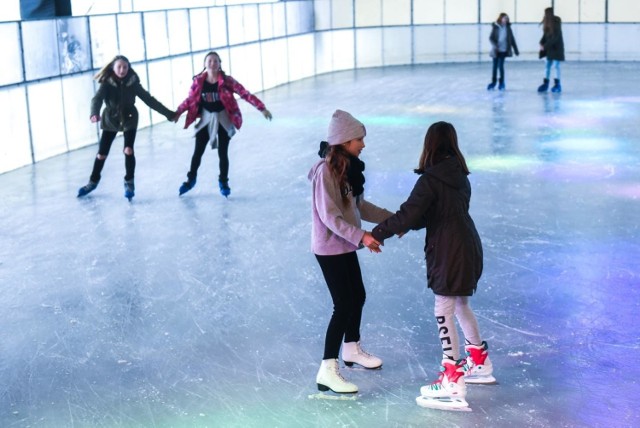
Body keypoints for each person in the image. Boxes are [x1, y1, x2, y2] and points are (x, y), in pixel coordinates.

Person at [371, 122, 494, 411]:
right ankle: (478, 360)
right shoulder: (459, 175)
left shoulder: (430, 180)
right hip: (467, 244)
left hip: (449, 250)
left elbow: (409, 213)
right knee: (460, 304)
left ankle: (452, 377)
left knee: (444, 307)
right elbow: (432, 214)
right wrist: (405, 226)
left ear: (429, 145)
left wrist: (376, 234)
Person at [309, 110, 393, 394]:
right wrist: (363, 236)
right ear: (344, 141)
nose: (363, 145)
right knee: (343, 304)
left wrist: (392, 220)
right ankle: (327, 370)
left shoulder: (348, 169)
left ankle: (351, 349)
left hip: (344, 244)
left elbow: (359, 207)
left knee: (357, 296)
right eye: (359, 139)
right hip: (329, 247)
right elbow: (330, 216)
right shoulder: (325, 172)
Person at [173, 51, 272, 197]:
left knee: (223, 152)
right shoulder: (198, 82)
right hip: (206, 119)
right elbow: (190, 100)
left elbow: (245, 93)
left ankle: (223, 182)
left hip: (224, 119)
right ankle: (191, 179)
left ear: (220, 64)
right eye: (210, 61)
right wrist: (178, 112)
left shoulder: (227, 81)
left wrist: (261, 108)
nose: (212, 63)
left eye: (215, 61)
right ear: (205, 64)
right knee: (198, 151)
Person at [77, 55, 175, 200]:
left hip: (129, 117)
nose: (122, 70)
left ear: (128, 68)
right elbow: (97, 99)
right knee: (101, 154)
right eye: (119, 67)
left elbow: (149, 100)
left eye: (125, 67)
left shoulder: (133, 82)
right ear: (113, 68)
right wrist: (94, 113)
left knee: (128, 150)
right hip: (110, 118)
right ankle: (93, 182)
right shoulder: (106, 83)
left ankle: (129, 182)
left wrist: (169, 114)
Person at [486, 12, 519, 91]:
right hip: (496, 50)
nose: (506, 19)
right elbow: (491, 38)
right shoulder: (495, 27)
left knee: (500, 66)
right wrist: (495, 46)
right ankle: (493, 82)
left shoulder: (508, 28)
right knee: (494, 67)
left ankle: (501, 82)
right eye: (505, 18)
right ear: (501, 18)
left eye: (507, 18)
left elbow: (512, 39)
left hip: (504, 50)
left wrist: (516, 49)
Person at [537, 7, 565, 93]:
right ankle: (545, 83)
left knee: (556, 66)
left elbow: (555, 38)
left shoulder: (556, 23)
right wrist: (541, 43)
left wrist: (544, 46)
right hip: (549, 50)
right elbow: (545, 35)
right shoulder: (547, 23)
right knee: (547, 66)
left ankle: (557, 85)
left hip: (556, 49)